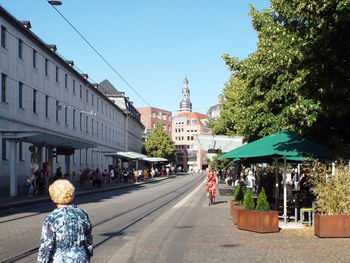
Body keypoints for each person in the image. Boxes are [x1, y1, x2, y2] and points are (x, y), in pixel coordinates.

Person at [37, 179, 93, 263]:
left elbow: (46, 247)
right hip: (81, 258)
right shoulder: (82, 214)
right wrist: (88, 257)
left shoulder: (51, 218)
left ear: (53, 195)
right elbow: (88, 241)